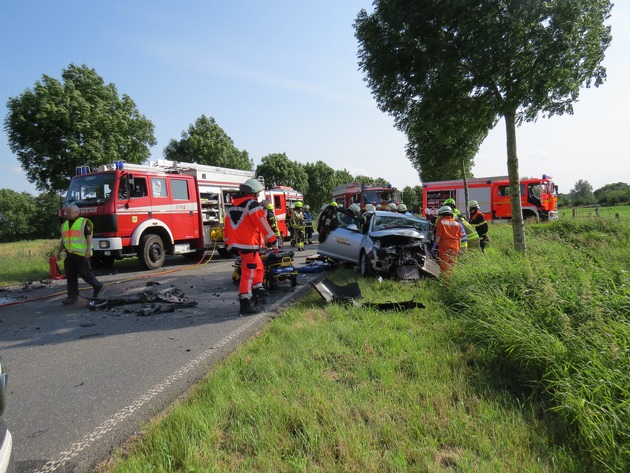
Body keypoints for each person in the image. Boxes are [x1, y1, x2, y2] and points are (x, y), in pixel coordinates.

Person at [224, 178, 278, 315]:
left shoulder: (233, 206)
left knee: (258, 266)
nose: (259, 195)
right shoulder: (252, 204)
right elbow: (262, 223)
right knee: (248, 274)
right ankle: (245, 302)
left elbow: (227, 227)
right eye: (258, 193)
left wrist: (228, 243)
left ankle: (258, 290)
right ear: (253, 192)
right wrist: (272, 239)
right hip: (249, 244)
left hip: (241, 244)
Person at [56, 203, 103, 304]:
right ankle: (72, 296)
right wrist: (59, 252)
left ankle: (97, 285)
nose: (67, 214)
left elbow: (89, 237)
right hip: (70, 254)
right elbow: (63, 240)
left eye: (69, 212)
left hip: (81, 254)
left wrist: (88, 250)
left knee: (84, 273)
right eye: (66, 212)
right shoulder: (64, 225)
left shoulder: (83, 222)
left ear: (76, 212)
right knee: (70, 275)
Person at [432, 205, 462, 274]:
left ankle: (445, 280)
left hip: (444, 245)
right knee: (452, 263)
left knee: (444, 263)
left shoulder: (440, 222)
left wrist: (434, 246)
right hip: (455, 244)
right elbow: (459, 237)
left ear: (442, 214)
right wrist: (459, 248)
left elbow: (438, 236)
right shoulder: (457, 223)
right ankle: (451, 278)